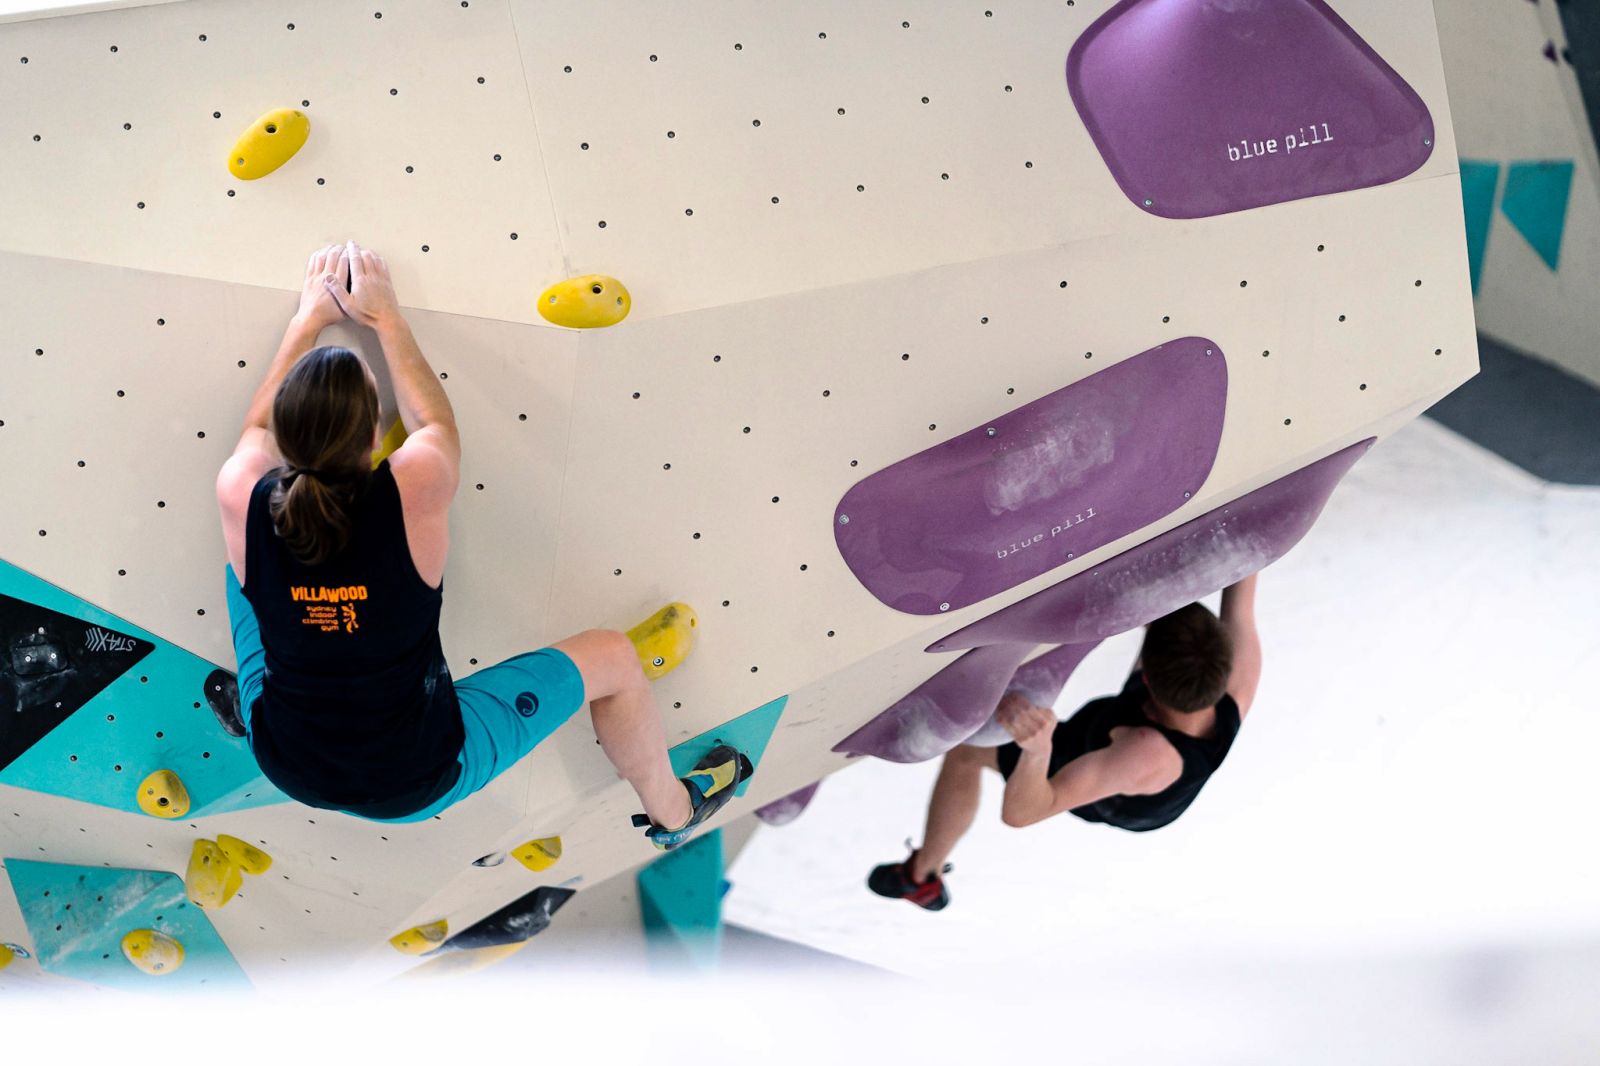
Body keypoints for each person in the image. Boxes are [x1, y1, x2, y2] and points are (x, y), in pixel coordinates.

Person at [215, 241, 748, 848]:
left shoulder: (242, 491)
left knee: (246, 561)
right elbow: (433, 424)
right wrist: (388, 319)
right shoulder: (414, 488)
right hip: (415, 777)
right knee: (616, 660)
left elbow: (253, 431)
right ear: (371, 441)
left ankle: (250, 707)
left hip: (287, 760)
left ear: (285, 437)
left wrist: (306, 319)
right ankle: (676, 815)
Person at [868, 575, 1262, 908]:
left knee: (966, 755)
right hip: (1140, 728)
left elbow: (1024, 812)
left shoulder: (1141, 755)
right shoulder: (1236, 675)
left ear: (1147, 682)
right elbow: (1245, 570)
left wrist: (1038, 751)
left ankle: (923, 877)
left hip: (1120, 791)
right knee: (1167, 606)